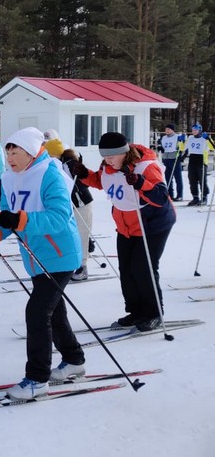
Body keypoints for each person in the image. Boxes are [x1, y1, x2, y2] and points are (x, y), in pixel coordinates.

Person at [0, 127, 85, 400]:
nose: (10, 157)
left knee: (37, 312)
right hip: (35, 257)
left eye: (16, 152)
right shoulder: (10, 177)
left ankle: (37, 378)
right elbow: (6, 215)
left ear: (32, 151)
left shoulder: (50, 174)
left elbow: (59, 217)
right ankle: (74, 360)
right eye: (8, 151)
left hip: (60, 255)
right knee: (54, 312)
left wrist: (21, 221)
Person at [74, 131, 176, 331]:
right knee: (127, 270)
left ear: (124, 152)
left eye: (111, 155)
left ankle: (154, 313)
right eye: (104, 156)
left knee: (143, 268)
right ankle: (136, 311)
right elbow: (102, 182)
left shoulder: (146, 166)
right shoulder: (108, 166)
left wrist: (140, 183)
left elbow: (161, 197)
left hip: (152, 225)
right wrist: (85, 174)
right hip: (126, 226)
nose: (107, 160)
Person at [59, 148, 95, 281]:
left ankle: (82, 267)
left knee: (82, 234)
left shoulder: (70, 163)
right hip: (69, 205)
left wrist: (74, 186)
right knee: (70, 234)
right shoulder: (55, 163)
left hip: (82, 203)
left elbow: (84, 182)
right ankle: (71, 264)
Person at [184, 124, 214, 206]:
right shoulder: (190, 138)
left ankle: (204, 197)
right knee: (192, 180)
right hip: (192, 160)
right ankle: (195, 197)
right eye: (193, 130)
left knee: (202, 180)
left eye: (196, 130)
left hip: (202, 161)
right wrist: (181, 141)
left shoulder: (204, 138)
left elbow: (213, 147)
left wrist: (208, 139)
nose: (194, 131)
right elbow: (184, 148)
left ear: (200, 130)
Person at [158, 124, 185, 201]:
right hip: (166, 158)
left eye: (169, 129)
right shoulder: (164, 137)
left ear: (172, 130)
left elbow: (182, 148)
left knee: (178, 178)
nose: (167, 130)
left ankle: (180, 195)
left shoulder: (177, 137)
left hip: (174, 158)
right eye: (166, 129)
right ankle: (170, 195)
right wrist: (161, 148)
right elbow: (163, 148)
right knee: (168, 178)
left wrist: (181, 156)